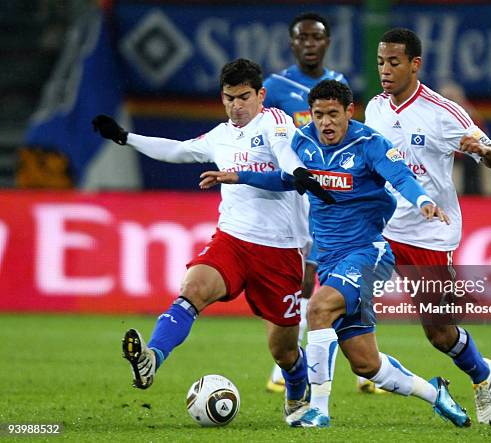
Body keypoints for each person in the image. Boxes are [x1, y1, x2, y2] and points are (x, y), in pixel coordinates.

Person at [201, 80, 471, 429]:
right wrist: (240, 176)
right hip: (329, 260)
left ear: (349, 112)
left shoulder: (369, 144)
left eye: (332, 114)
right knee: (365, 363)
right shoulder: (303, 141)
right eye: (318, 115)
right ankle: (436, 394)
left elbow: (400, 176)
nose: (325, 123)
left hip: (368, 254)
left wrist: (423, 202)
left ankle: (318, 409)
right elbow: (287, 179)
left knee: (317, 307)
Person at [91, 58, 334, 420]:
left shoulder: (275, 122)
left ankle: (297, 391)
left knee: (283, 350)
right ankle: (151, 359)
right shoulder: (220, 136)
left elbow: (283, 153)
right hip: (232, 240)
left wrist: (298, 172)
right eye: (229, 98)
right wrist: (126, 138)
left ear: (261, 95)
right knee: (193, 288)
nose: (236, 106)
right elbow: (176, 150)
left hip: (280, 250)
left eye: (244, 97)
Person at [365, 28, 491, 425]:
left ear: (415, 64)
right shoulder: (374, 108)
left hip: (429, 235)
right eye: (380, 62)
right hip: (382, 230)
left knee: (440, 334)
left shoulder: (443, 112)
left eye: (394, 62)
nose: (385, 70)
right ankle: (315, 399)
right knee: (339, 302)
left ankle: (481, 373)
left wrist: (484, 149)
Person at [262, 11, 352, 394]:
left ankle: (362, 364)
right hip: (292, 197)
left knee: (331, 277)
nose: (309, 44)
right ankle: (284, 366)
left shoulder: (339, 83)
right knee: (299, 281)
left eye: (317, 38)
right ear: (292, 43)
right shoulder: (275, 86)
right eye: (303, 38)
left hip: (329, 191)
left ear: (327, 42)